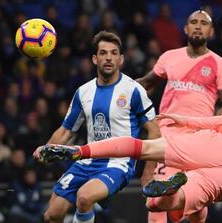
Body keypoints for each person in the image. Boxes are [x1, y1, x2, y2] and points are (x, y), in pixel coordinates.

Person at [34, 75, 222, 223]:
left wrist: (184, 120)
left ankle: (79, 151)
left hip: (219, 145)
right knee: (165, 203)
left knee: (145, 148)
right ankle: (174, 189)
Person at [38, 31, 160, 223]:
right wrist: (46, 149)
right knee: (52, 215)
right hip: (87, 160)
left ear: (121, 59)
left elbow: (154, 130)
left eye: (113, 53)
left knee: (84, 197)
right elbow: (66, 131)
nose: (108, 57)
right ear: (95, 59)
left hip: (118, 164)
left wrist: (148, 171)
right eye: (103, 53)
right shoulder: (83, 92)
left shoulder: (134, 90)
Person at [137, 9, 222, 223]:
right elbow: (145, 84)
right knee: (156, 202)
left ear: (211, 31)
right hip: (167, 138)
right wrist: (120, 89)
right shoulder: (169, 57)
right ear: (185, 28)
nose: (198, 26)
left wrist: (211, 128)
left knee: (194, 207)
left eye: (203, 23)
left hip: (198, 141)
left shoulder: (219, 63)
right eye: (193, 22)